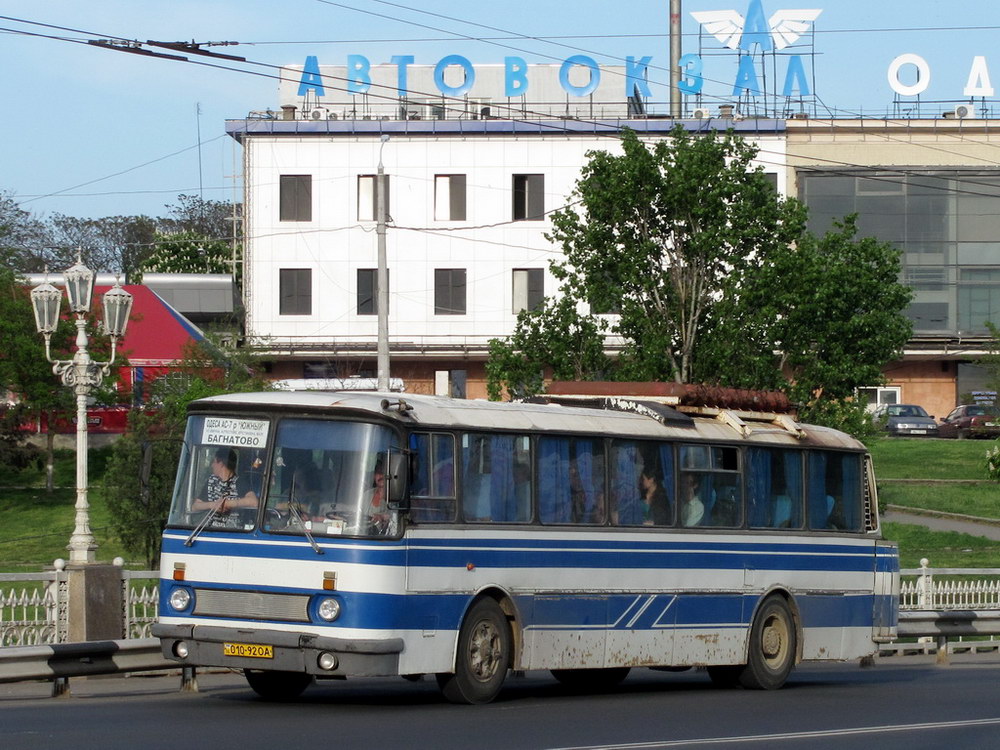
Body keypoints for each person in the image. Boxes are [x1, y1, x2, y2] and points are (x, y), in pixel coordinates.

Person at [191, 448, 258, 527]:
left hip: (233, 532)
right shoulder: (211, 481)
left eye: (214, 462)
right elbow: (195, 506)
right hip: (210, 530)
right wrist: (211, 505)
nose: (212, 465)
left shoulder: (240, 482)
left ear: (221, 463)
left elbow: (254, 502)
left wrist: (228, 504)